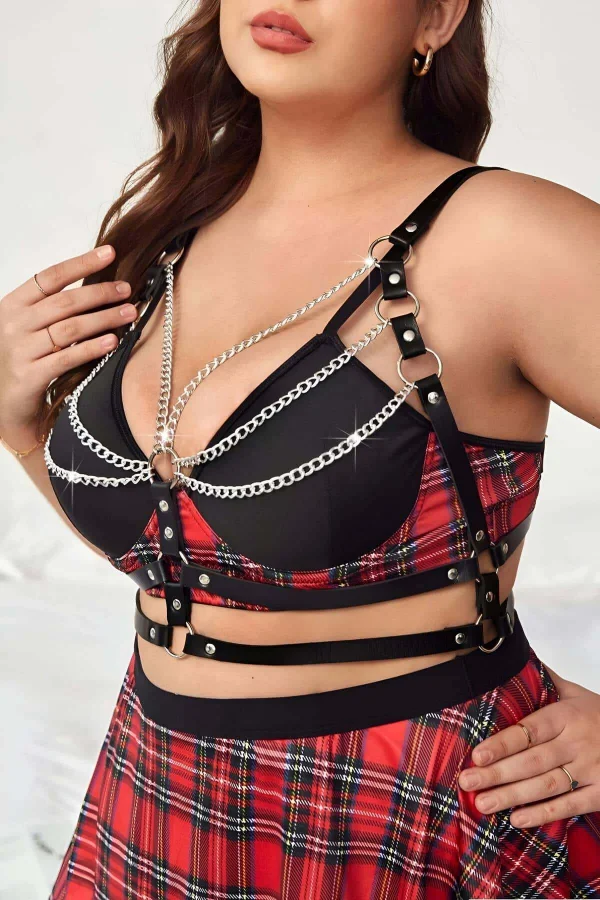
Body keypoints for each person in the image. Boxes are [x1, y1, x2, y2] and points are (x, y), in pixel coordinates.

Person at [1, 0, 599, 896]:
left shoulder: (503, 238)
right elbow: (192, 558)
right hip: (154, 798)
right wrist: (17, 425)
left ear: (435, 18)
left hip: (410, 815)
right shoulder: (168, 235)